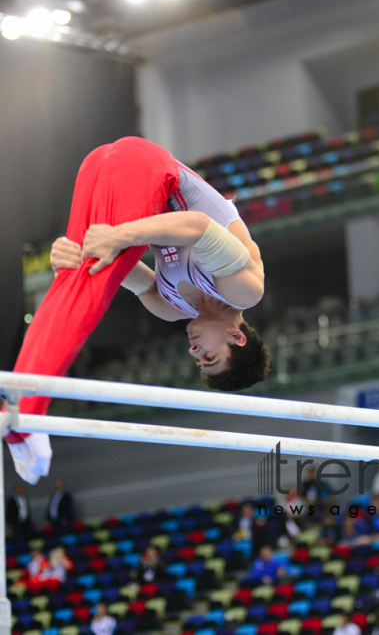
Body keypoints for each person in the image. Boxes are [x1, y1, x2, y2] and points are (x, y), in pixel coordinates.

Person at [5, 137, 269, 485]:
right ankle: (28, 413)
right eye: (208, 357)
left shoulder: (169, 307)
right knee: (103, 265)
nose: (194, 351)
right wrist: (120, 236)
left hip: (98, 166)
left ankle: (22, 405)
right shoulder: (244, 290)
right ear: (236, 337)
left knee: (88, 279)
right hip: (148, 168)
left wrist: (72, 255)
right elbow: (199, 227)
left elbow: (117, 269)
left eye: (198, 360)